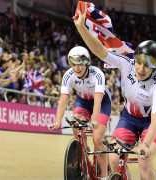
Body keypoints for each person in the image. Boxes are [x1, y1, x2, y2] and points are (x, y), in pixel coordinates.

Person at [74, 3, 156, 179]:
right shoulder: (127, 64)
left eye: (147, 66)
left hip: (151, 123)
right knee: (114, 158)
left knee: (144, 160)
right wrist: (81, 27)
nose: (141, 69)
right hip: (129, 119)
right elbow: (100, 51)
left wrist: (146, 144)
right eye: (139, 62)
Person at [49, 46, 112, 179]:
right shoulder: (68, 75)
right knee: (75, 122)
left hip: (101, 103)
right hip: (83, 101)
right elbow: (63, 101)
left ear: (87, 63)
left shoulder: (98, 74)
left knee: (97, 139)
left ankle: (105, 176)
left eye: (80, 64)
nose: (76, 68)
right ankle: (84, 150)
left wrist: (94, 120)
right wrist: (57, 121)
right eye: (73, 64)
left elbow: (98, 102)